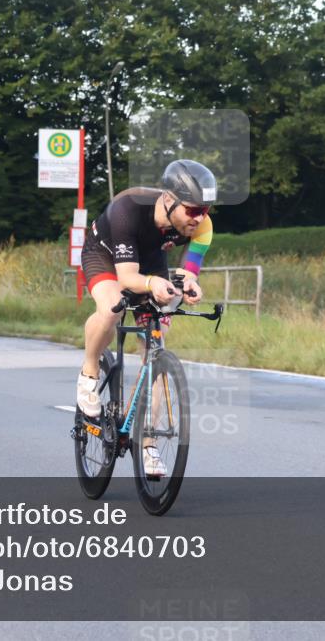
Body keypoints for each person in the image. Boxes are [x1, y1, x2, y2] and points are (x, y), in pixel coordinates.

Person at [76, 159, 215, 477]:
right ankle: (88, 372)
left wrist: (188, 284)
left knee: (156, 354)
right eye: (193, 211)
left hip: (151, 261)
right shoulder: (129, 208)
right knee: (111, 307)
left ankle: (147, 442)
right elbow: (127, 278)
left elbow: (187, 271)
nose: (200, 218)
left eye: (206, 210)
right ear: (169, 199)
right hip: (105, 255)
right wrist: (153, 284)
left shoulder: (201, 226)